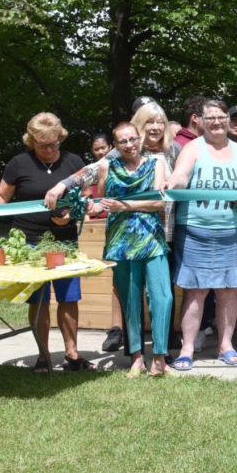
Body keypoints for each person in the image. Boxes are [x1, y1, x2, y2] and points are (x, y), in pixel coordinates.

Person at [0, 112, 88, 373]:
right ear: (31, 141)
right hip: (29, 241)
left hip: (64, 241)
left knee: (69, 297)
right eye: (42, 145)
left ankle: (72, 354)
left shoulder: (74, 161)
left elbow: (85, 197)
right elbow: (1, 194)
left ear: (60, 138)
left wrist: (72, 215)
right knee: (38, 300)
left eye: (53, 144)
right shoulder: (19, 163)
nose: (49, 150)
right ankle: (43, 355)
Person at [162, 99, 237, 370]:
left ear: (228, 120)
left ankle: (225, 346)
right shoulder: (192, 148)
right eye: (211, 117)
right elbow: (181, 176)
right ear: (201, 121)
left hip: (231, 231)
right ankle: (187, 349)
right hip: (195, 231)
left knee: (229, 291)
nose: (217, 121)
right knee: (195, 292)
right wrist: (171, 184)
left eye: (221, 116)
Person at [90, 122, 172, 377]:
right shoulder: (106, 166)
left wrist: (124, 205)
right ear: (115, 146)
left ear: (140, 139)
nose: (129, 145)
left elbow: (159, 201)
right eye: (123, 141)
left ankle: (160, 358)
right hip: (121, 241)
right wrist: (95, 208)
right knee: (130, 299)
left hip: (151, 238)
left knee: (162, 297)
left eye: (133, 139)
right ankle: (137, 357)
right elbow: (101, 201)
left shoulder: (155, 163)